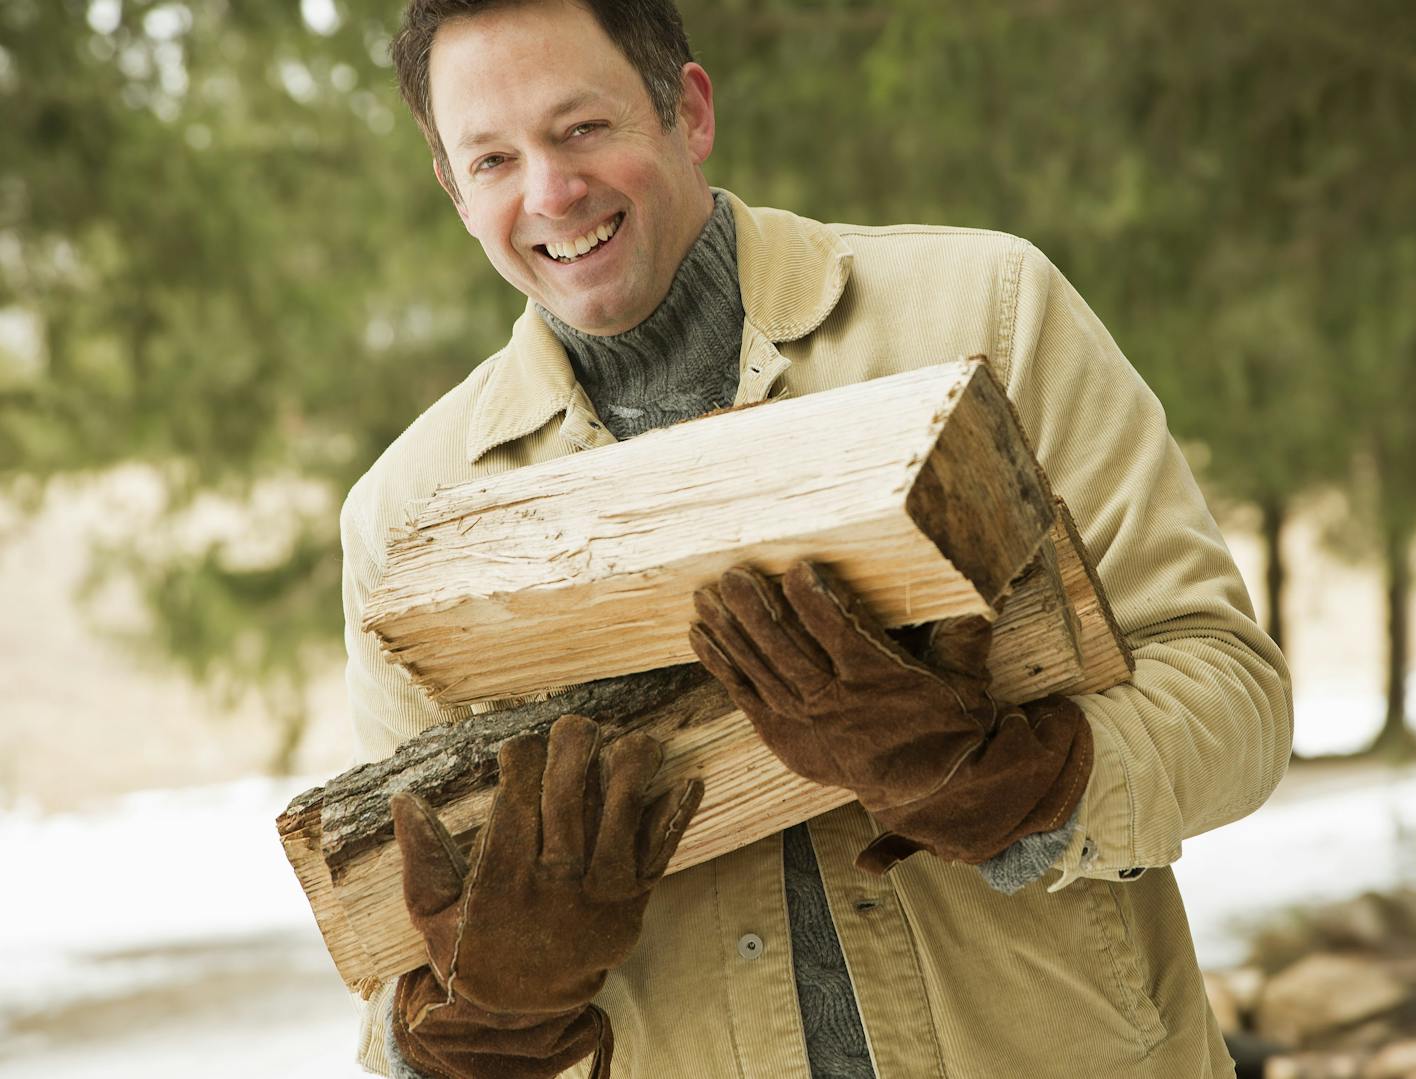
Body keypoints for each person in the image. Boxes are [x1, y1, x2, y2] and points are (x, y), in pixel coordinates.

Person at [340, 1, 1293, 1076]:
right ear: (455, 192)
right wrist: (486, 1016)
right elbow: (390, 955)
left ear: (687, 113)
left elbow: (1234, 698)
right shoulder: (408, 514)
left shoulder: (983, 314)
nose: (552, 193)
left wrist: (1006, 780)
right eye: (494, 158)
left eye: (582, 129)